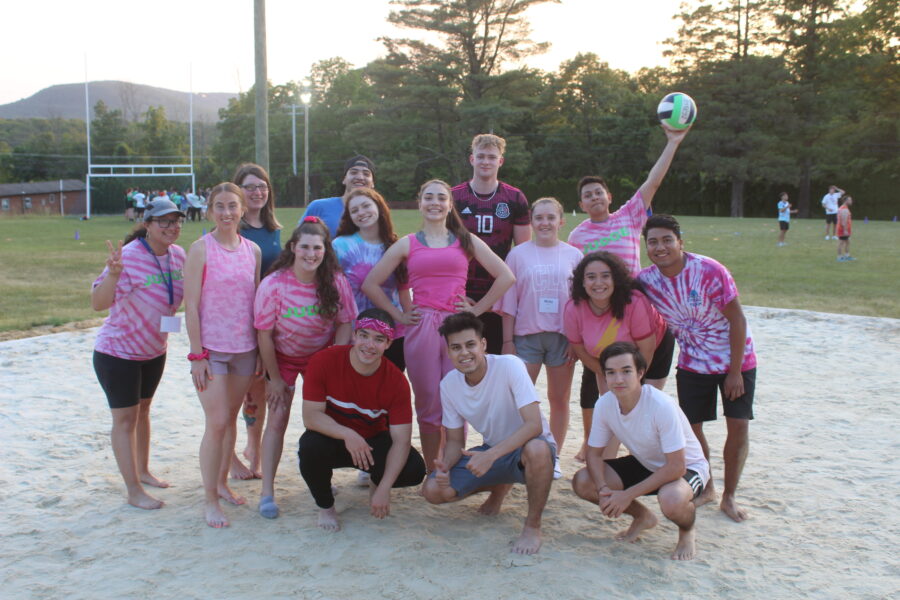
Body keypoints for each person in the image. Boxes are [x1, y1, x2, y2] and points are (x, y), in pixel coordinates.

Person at [362, 180, 515, 471]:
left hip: (458, 327)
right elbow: (371, 283)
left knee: (457, 397)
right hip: (422, 328)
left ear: (449, 204)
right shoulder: (408, 243)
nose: (435, 203)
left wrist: (477, 310)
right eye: (429, 197)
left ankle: (453, 468)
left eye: (441, 198)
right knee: (428, 401)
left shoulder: (465, 240)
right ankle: (433, 470)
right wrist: (399, 315)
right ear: (420, 203)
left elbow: (506, 276)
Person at [567, 124, 690, 431]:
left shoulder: (629, 216)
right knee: (596, 380)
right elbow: (575, 281)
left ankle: (640, 434)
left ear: (609, 196)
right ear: (581, 205)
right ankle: (593, 440)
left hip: (632, 306)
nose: (594, 197)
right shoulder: (577, 236)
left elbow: (653, 181)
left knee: (637, 377)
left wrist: (672, 142)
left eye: (598, 192)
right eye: (587, 196)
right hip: (598, 311)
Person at [638, 214, 757, 522]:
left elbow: (737, 319)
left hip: (735, 359)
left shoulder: (709, 270)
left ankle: (730, 496)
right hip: (692, 362)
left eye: (667, 240)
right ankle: (709, 487)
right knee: (692, 429)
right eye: (653, 242)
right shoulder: (646, 281)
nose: (660, 247)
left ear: (680, 242)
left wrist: (735, 372)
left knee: (738, 425)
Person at [422, 312, 556, 555]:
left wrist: (490, 456)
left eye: (470, 344)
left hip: (529, 449)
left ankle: (532, 526)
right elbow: (454, 440)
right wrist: (445, 466)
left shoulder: (509, 365)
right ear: (448, 352)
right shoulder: (449, 384)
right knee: (432, 490)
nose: (464, 353)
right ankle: (500, 486)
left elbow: (534, 425)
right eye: (456, 347)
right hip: (494, 450)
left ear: (483, 344)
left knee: (537, 449)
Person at [254, 217, 357, 518]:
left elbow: (345, 322)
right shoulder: (274, 283)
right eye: (305, 247)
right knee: (277, 419)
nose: (311, 254)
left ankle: (322, 479)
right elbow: (264, 334)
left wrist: (333, 362)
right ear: (293, 248)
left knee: (324, 421)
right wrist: (274, 379)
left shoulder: (335, 281)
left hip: (320, 358)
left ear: (326, 250)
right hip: (282, 358)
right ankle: (267, 492)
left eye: (317, 248)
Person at [571, 342, 709, 561]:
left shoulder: (660, 405)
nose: (618, 379)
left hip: (687, 467)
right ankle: (643, 516)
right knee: (584, 481)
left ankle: (687, 531)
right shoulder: (605, 404)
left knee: (671, 499)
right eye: (611, 372)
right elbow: (593, 454)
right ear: (604, 376)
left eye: (626, 371)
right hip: (647, 462)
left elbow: (677, 466)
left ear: (640, 373)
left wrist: (626, 496)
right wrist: (604, 490)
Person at [91, 198, 186, 510]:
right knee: (125, 420)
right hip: (118, 353)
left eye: (176, 221)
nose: (172, 227)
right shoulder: (128, 257)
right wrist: (113, 275)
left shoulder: (178, 256)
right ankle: (133, 490)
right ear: (148, 225)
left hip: (154, 350)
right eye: (164, 221)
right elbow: (98, 303)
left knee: (144, 411)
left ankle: (143, 471)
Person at [298, 308, 427, 531]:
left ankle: (375, 481)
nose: (369, 345)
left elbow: (401, 441)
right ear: (354, 335)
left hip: (372, 441)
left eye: (379, 339)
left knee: (414, 469)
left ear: (388, 344)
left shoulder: (396, 381)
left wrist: (384, 488)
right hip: (334, 438)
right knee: (310, 447)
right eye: (364, 336)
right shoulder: (324, 360)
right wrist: (347, 434)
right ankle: (326, 505)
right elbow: (311, 416)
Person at [183, 182, 262, 528]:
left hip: (244, 350)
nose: (227, 212)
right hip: (211, 351)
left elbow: (255, 302)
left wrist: (259, 351)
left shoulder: (252, 251)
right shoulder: (201, 249)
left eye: (232, 206)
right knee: (216, 423)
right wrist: (197, 355)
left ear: (243, 209)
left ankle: (221, 483)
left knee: (229, 419)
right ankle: (210, 500)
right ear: (209, 210)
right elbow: (191, 306)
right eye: (220, 206)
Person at [496, 197, 582, 469]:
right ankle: (517, 454)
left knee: (559, 399)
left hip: (562, 339)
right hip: (526, 337)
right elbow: (509, 302)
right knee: (519, 401)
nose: (545, 223)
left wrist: (576, 340)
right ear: (531, 222)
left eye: (550, 218)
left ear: (561, 221)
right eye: (539, 218)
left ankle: (552, 456)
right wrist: (507, 340)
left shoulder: (574, 256)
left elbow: (580, 304)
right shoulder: (518, 255)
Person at [564, 251, 674, 462]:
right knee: (612, 407)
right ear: (582, 282)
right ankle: (608, 463)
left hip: (652, 351)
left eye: (605, 276)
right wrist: (610, 375)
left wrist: (633, 380)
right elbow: (580, 350)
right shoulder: (573, 308)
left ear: (615, 278)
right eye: (591, 277)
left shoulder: (634, 302)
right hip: (606, 361)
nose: (598, 283)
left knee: (640, 406)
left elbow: (647, 348)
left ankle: (643, 461)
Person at [229, 163, 284, 481]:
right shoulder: (231, 227)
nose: (257, 192)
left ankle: (254, 448)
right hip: (239, 320)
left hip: (270, 320)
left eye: (262, 186)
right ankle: (231, 452)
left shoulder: (273, 228)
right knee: (238, 389)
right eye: (249, 186)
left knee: (259, 389)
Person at [452, 133, 531, 354]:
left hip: (499, 292)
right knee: (461, 355)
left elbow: (523, 253)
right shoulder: (453, 197)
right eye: (481, 156)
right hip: (461, 292)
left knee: (495, 357)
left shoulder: (514, 198)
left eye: (491, 157)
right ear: (472, 159)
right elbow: (443, 246)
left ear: (500, 161)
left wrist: (511, 298)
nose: (485, 161)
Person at [333, 187, 409, 371]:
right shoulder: (340, 246)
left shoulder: (396, 245)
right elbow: (332, 292)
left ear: (379, 207)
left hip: (393, 333)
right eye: (354, 210)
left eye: (366, 206)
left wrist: (409, 318)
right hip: (356, 334)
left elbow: (403, 289)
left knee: (389, 384)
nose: (361, 212)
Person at [301, 155, 376, 237]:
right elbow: (298, 239)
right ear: (344, 179)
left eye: (366, 174)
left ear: (373, 183)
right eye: (354, 172)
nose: (360, 177)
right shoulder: (318, 207)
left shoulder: (378, 213)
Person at [836, 195, 855, 261]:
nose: (851, 201)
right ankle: (839, 257)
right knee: (841, 243)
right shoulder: (844, 209)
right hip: (842, 229)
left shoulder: (844, 208)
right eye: (850, 200)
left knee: (847, 242)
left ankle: (847, 256)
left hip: (844, 229)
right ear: (845, 201)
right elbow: (843, 221)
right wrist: (845, 230)